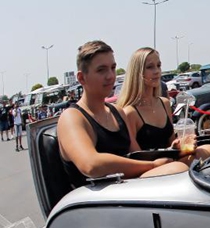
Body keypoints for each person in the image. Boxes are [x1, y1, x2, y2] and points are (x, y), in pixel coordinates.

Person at [57, 40, 186, 188]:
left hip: (126, 188)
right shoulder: (72, 117)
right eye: (101, 70)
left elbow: (137, 155)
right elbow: (91, 165)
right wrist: (153, 165)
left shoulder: (116, 111)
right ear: (81, 78)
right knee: (177, 170)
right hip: (97, 200)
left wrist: (172, 152)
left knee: (205, 154)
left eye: (113, 68)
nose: (110, 76)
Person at [117, 47, 210, 165]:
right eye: (150, 67)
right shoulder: (130, 112)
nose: (157, 71)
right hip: (152, 167)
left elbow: (171, 142)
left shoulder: (164, 103)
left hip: (173, 160)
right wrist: (170, 151)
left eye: (159, 65)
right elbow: (137, 157)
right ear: (137, 72)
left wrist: (180, 144)